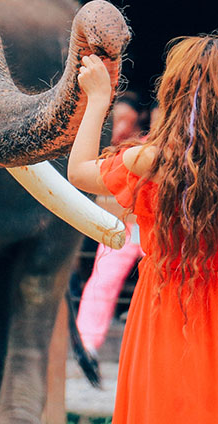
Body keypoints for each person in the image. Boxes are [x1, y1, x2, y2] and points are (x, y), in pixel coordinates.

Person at [68, 36, 218, 424]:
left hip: (164, 311)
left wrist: (99, 99)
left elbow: (78, 171)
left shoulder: (152, 161)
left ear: (176, 95)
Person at [76, 93, 144, 358]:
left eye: (126, 121)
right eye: (116, 121)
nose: (120, 128)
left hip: (154, 227)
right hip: (122, 227)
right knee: (104, 275)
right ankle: (87, 340)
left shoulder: (146, 149)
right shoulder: (98, 145)